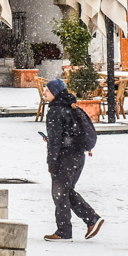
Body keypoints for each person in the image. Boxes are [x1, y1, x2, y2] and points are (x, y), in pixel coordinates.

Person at [41, 79, 102, 242]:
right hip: (77, 156)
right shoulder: (70, 106)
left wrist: (51, 162)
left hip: (65, 157)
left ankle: (65, 231)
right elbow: (68, 134)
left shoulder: (55, 111)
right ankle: (90, 220)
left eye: (47, 90)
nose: (44, 92)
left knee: (60, 194)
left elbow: (55, 140)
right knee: (66, 192)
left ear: (54, 92)